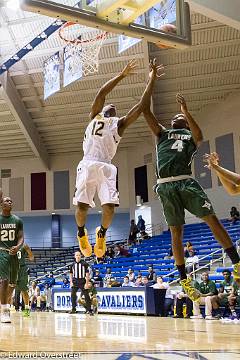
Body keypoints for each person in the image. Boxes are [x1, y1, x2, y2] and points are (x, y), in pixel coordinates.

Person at [142, 59, 240, 301]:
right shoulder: (161, 133)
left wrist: (186, 111)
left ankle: (237, 263)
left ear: (185, 122)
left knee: (212, 219)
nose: (176, 116)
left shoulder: (190, 135)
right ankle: (184, 278)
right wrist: (152, 78)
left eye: (180, 116)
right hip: (165, 185)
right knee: (176, 232)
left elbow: (199, 134)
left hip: (186, 182)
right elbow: (144, 109)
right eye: (176, 115)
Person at [73, 59, 154, 259]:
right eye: (109, 105)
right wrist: (122, 75)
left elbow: (142, 106)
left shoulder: (119, 124)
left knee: (109, 207)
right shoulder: (94, 116)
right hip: (88, 161)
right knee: (82, 206)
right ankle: (81, 232)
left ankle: (101, 233)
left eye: (114, 107)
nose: (112, 105)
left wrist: (151, 81)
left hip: (107, 166)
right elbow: (102, 92)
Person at [0, 196, 24, 323]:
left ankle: (5, 306)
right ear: (1, 204)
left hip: (14, 254)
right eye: (6, 201)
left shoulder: (17, 220)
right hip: (1, 253)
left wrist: (18, 246)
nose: (9, 202)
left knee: (12, 284)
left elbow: (21, 237)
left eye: (11, 200)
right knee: (4, 280)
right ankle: (4, 311)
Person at [15, 242, 34, 317]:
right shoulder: (8, 245)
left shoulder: (23, 246)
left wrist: (28, 250)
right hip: (12, 269)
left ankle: (26, 309)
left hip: (22, 269)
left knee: (24, 290)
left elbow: (31, 258)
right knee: (8, 290)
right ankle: (6, 308)